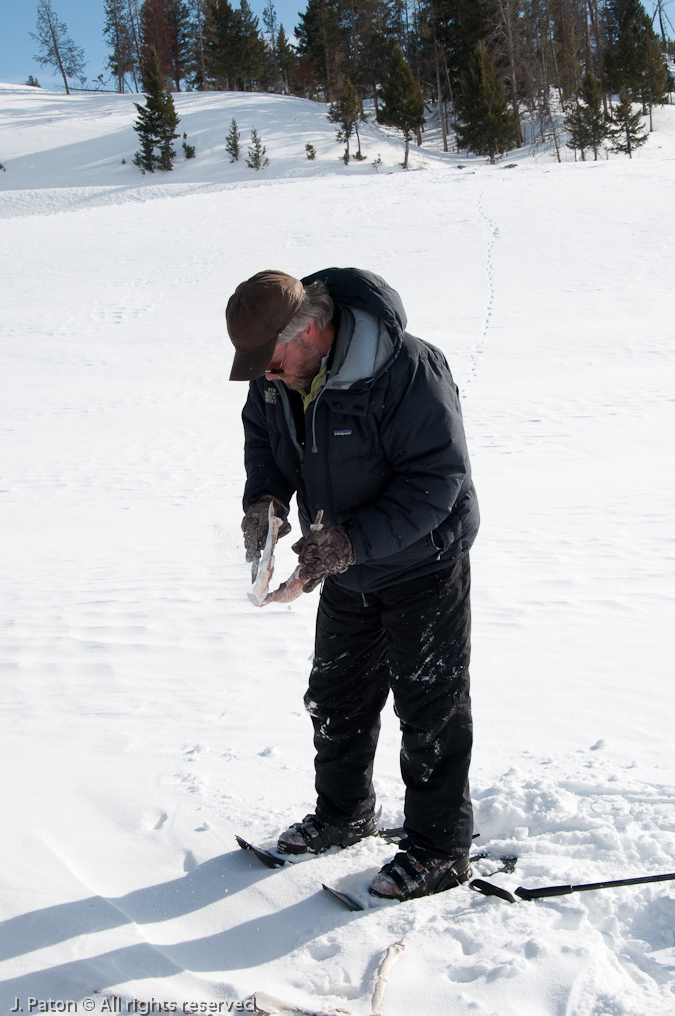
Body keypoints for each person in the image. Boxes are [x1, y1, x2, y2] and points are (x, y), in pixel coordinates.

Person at [227, 267, 479, 901]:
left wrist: (349, 542)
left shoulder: (406, 371)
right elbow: (266, 438)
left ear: (310, 330)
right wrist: (265, 499)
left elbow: (436, 483)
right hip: (344, 564)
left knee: (430, 710)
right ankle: (344, 817)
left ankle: (438, 850)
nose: (267, 374)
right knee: (335, 697)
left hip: (424, 562)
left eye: (273, 359)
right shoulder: (280, 377)